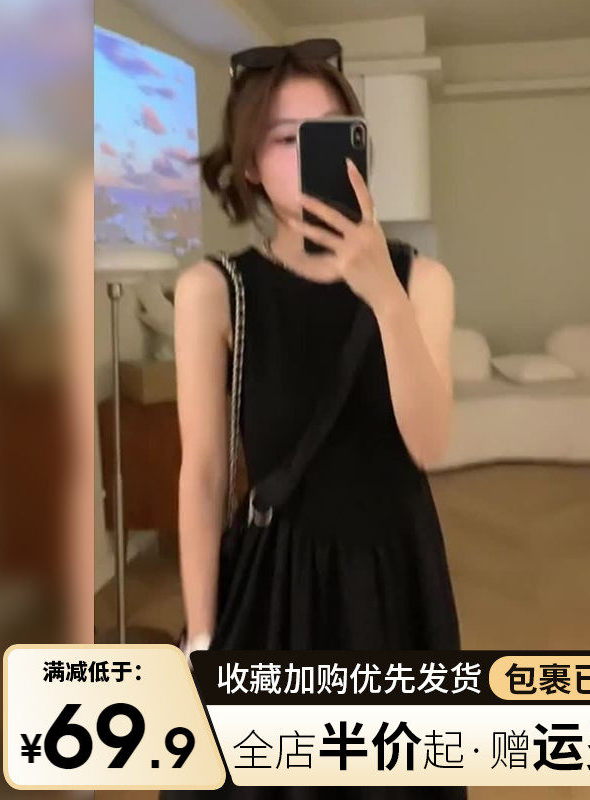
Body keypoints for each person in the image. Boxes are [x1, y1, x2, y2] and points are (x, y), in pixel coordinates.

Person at [166, 39, 466, 799]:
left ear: (357, 146)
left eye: (329, 133)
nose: (309, 157)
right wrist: (200, 635)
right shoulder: (216, 292)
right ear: (249, 165)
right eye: (283, 139)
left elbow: (429, 444)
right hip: (277, 583)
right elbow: (203, 474)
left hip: (395, 577)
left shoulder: (423, 281)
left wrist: (384, 295)